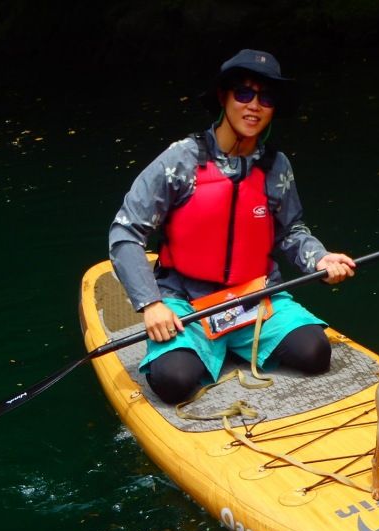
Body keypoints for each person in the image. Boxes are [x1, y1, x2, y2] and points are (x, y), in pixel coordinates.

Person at [109, 49, 356, 404]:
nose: (253, 105)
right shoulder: (181, 159)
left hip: (255, 297)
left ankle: (236, 344)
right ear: (224, 97)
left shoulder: (276, 166)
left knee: (315, 353)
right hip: (188, 303)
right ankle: (211, 347)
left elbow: (290, 232)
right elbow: (126, 231)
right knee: (173, 381)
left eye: (266, 97)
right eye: (244, 93)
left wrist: (319, 259)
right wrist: (151, 304)